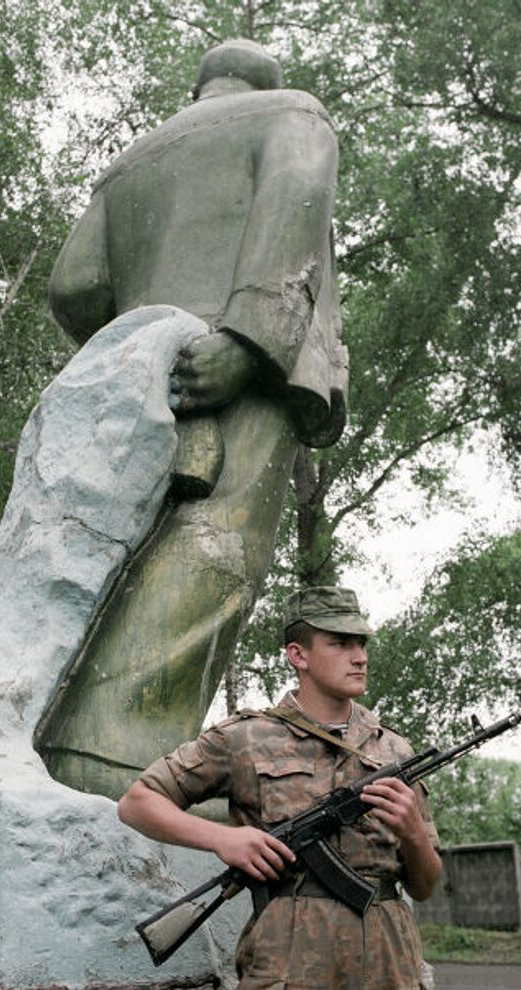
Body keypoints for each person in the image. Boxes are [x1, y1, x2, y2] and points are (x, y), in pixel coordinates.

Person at [38, 39, 349, 798]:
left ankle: (59, 741)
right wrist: (246, 342)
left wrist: (143, 343)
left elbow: (74, 284)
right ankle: (117, 761)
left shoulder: (131, 163)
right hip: (235, 375)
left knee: (118, 558)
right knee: (211, 558)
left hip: (144, 379)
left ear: (204, 86)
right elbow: (296, 202)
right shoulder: (292, 115)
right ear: (262, 82)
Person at [118, 585, 442, 990]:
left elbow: (429, 884)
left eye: (361, 642)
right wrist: (223, 841)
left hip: (393, 953)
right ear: (298, 655)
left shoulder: (393, 751)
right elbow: (138, 802)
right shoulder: (245, 738)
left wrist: (413, 831)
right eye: (340, 642)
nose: (359, 655)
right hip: (293, 955)